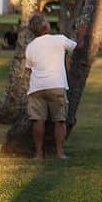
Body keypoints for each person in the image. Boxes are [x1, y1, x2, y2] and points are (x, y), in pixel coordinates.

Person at [24, 11, 76, 161]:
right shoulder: (59, 39)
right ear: (46, 26)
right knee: (59, 121)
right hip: (56, 85)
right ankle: (60, 153)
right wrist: (80, 34)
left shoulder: (30, 47)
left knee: (37, 121)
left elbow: (29, 68)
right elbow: (76, 47)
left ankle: (38, 154)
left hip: (36, 87)